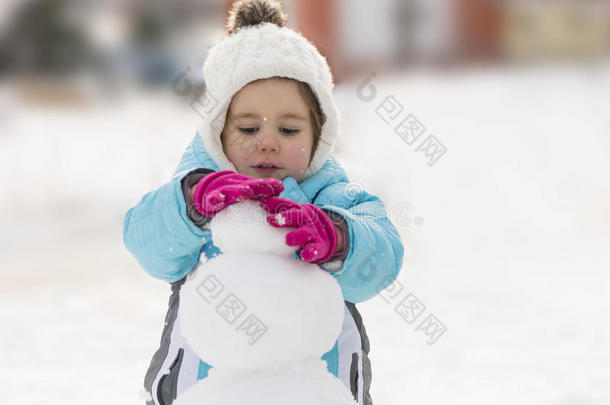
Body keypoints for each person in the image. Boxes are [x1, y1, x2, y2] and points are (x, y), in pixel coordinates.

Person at [123, 1, 404, 404]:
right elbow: (146, 244)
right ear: (218, 132)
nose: (268, 141)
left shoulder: (334, 199)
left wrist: (339, 239)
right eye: (248, 127)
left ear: (320, 134)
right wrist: (188, 206)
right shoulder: (198, 200)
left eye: (289, 129)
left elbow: (382, 259)